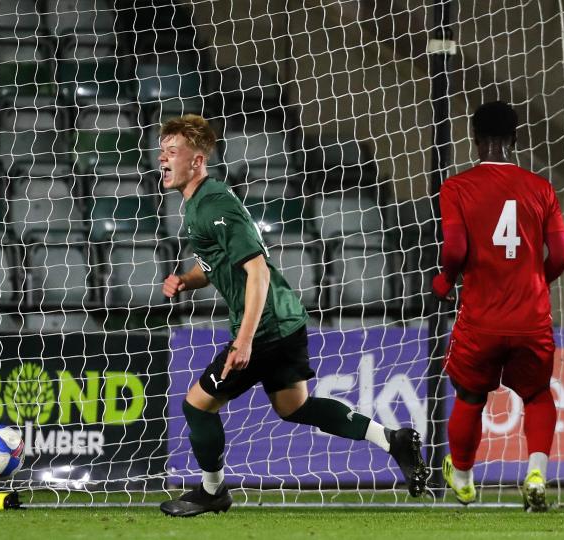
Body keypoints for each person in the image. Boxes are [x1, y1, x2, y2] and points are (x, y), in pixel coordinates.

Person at [157, 115, 428, 517]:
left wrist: (244, 339)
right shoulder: (201, 204)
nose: (162, 158)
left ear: (196, 161)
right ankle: (392, 439)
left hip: (264, 327)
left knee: (197, 406)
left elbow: (258, 271)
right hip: (287, 320)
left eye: (172, 151)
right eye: (162, 150)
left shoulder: (214, 205)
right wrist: (186, 279)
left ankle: (213, 491)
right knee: (294, 407)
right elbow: (219, 265)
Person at [432, 101, 564, 512]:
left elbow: (455, 248)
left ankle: (463, 479)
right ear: (515, 139)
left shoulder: (457, 187)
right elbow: (561, 255)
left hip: (481, 318)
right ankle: (536, 473)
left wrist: (443, 281)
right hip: (531, 318)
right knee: (538, 394)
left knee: (470, 395)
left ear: (474, 141)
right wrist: (531, 283)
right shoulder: (541, 188)